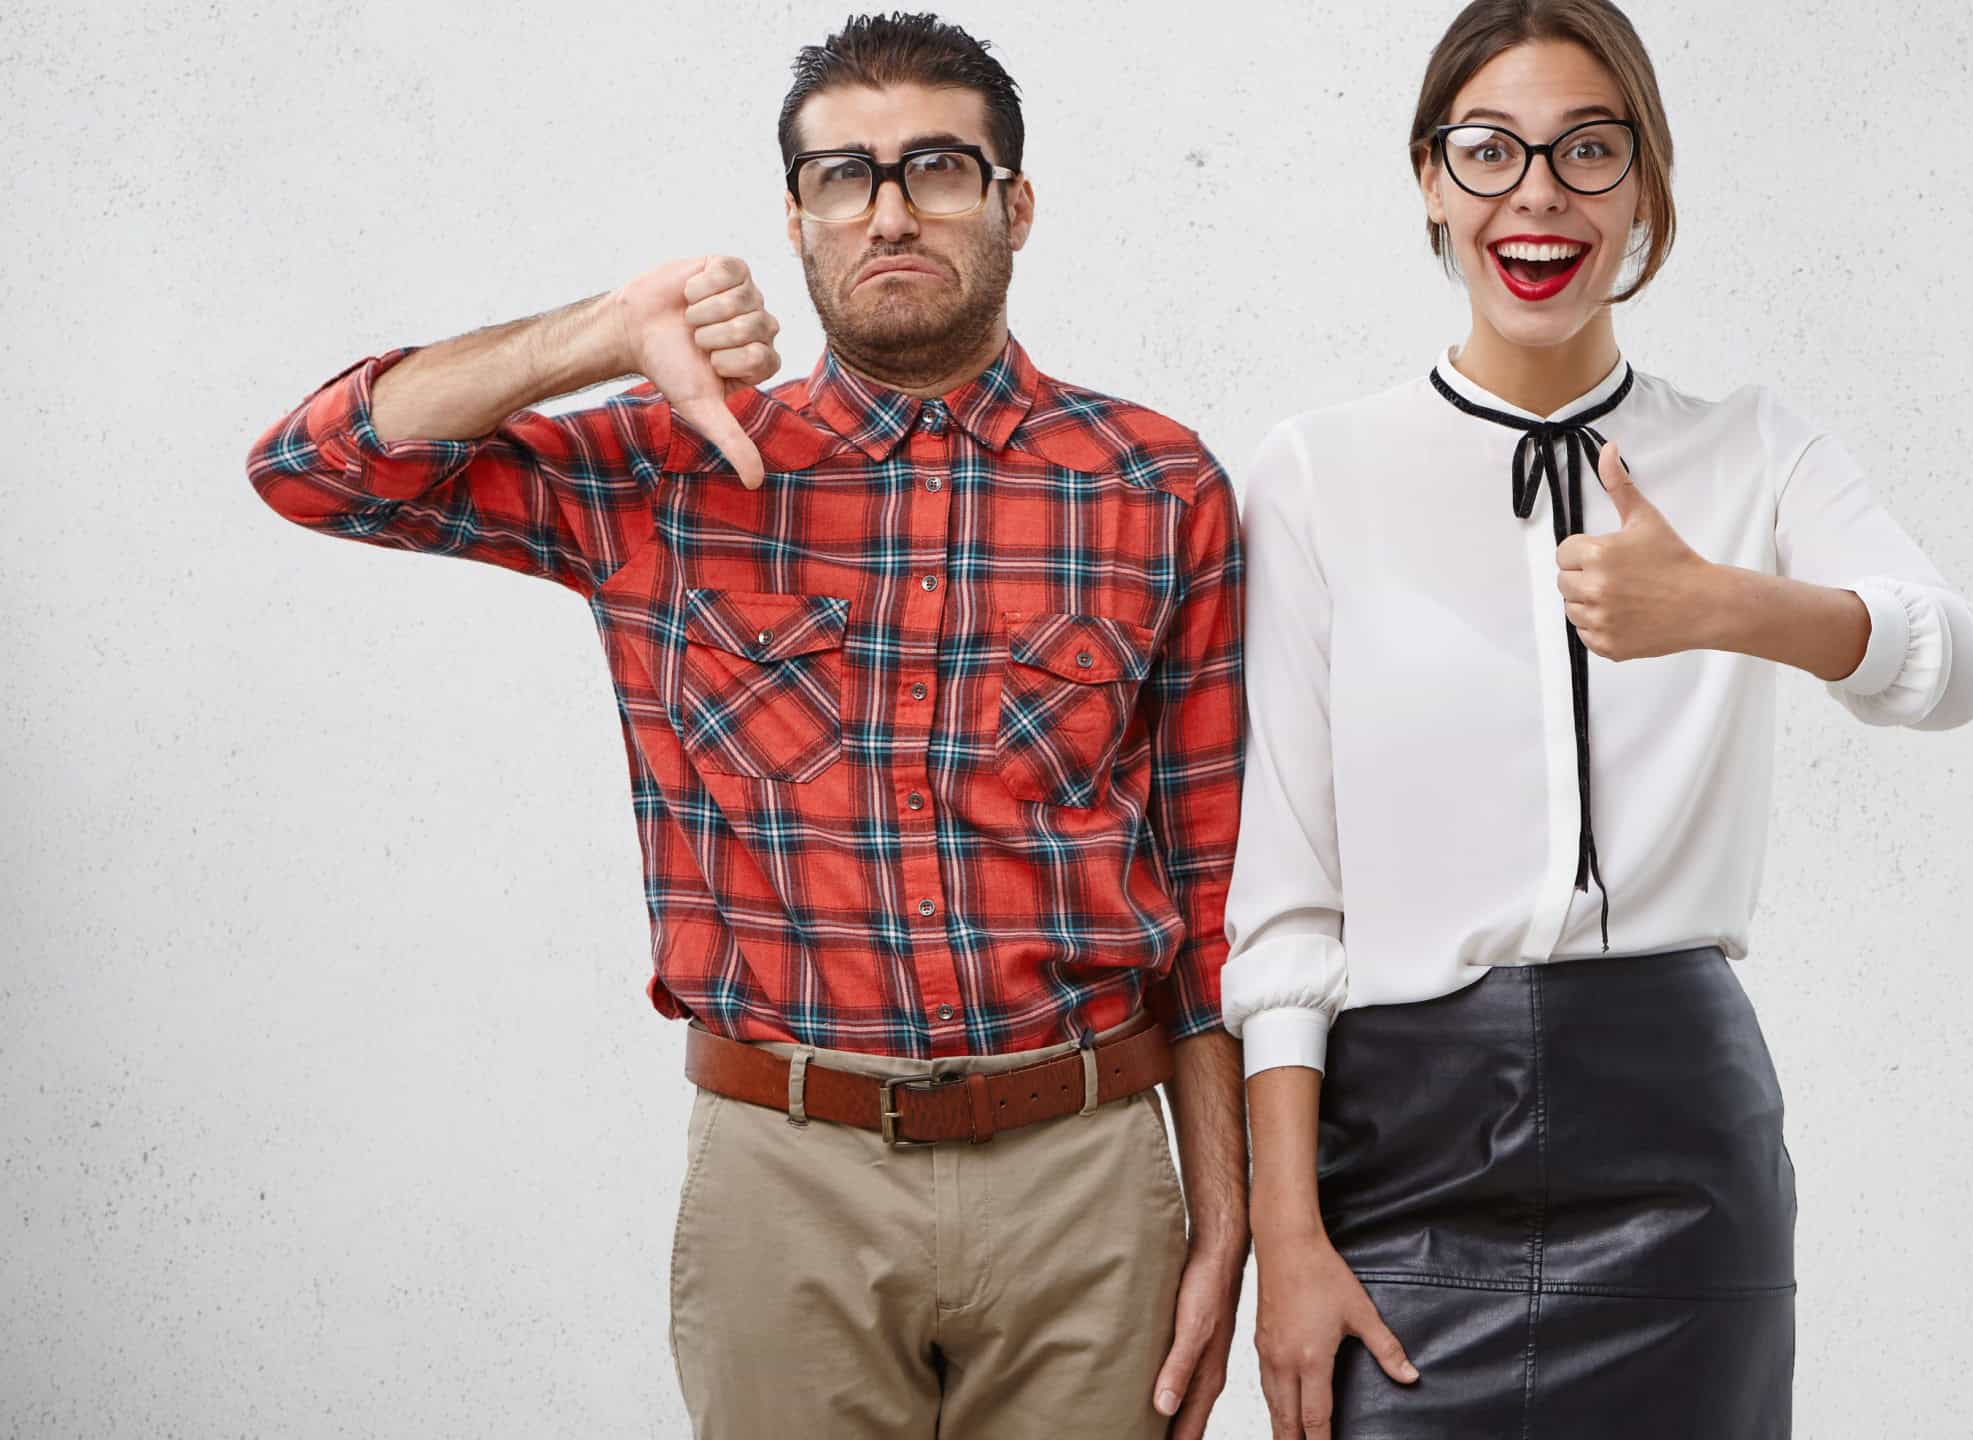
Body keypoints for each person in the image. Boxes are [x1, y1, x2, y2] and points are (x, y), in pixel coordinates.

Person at [245, 14, 1247, 1439]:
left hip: (1084, 1178)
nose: (889, 209)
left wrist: (1228, 1222)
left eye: (938, 167)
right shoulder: (667, 470)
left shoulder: (1154, 485)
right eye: (844, 175)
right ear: (796, 218)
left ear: (1016, 203)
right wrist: (598, 334)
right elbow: (313, 467)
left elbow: (1212, 893)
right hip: (787, 1174)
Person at [1220, 1, 1973, 1435]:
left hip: (1678, 1150)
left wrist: (1719, 605)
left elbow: (1950, 663)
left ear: (1645, 185)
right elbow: (1285, 910)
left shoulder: (1747, 445)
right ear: (1430, 179)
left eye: (1588, 151)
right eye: (1491, 150)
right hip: (1400, 1149)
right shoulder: (1317, 472)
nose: (1538, 194)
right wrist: (1288, 1238)